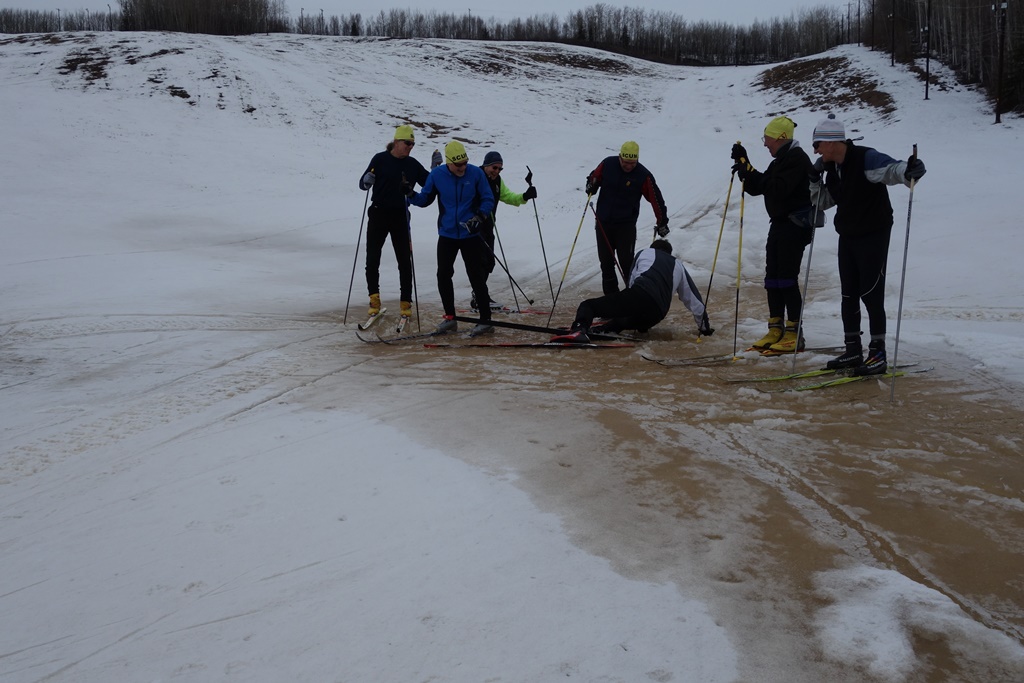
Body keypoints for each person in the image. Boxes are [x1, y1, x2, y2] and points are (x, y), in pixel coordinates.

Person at [809, 114, 927, 376]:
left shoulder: (864, 157)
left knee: (871, 292)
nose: (815, 150)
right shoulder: (833, 170)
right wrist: (814, 179)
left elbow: (892, 170)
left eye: (817, 144)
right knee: (848, 293)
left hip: (873, 233)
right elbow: (824, 203)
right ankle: (853, 349)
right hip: (848, 235)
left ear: (830, 143)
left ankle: (878, 353)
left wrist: (910, 171)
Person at [731, 115, 817, 353]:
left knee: (787, 278)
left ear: (781, 137)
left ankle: (794, 333)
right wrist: (744, 166)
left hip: (795, 225)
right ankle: (775, 327)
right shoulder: (781, 160)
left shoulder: (797, 159)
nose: (765, 143)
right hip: (780, 224)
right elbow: (758, 187)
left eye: (767, 139)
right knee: (773, 278)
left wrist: (750, 170)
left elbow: (777, 189)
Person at [406, 140, 496, 336]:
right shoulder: (438, 175)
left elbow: (488, 198)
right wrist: (410, 193)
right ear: (448, 163)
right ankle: (450, 318)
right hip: (447, 234)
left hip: (469, 233)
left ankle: (486, 320)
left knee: (476, 275)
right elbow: (425, 199)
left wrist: (479, 217)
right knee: (443, 275)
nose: (462, 167)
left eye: (465, 162)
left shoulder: (476, 173)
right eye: (458, 164)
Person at [551, 239, 713, 343]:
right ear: (669, 253)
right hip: (657, 313)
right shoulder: (679, 265)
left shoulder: (645, 252)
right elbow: (695, 301)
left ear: (653, 248)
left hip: (641, 294)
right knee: (619, 323)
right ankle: (599, 331)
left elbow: (632, 282)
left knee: (588, 306)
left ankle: (579, 329)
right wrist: (705, 330)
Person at [357, 124, 429, 321]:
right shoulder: (380, 159)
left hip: (400, 215)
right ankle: (374, 303)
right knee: (372, 260)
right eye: (407, 143)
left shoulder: (413, 164)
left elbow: (430, 184)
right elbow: (363, 185)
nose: (410, 147)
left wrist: (438, 169)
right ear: (396, 142)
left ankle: (406, 305)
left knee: (405, 262)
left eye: (413, 144)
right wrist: (366, 180)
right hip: (378, 214)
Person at [585, 142, 669, 295]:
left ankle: (633, 297)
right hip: (603, 223)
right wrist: (591, 185)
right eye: (625, 162)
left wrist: (662, 221)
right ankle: (612, 301)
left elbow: (656, 198)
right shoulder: (608, 164)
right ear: (620, 157)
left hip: (625, 226)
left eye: (632, 163)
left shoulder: (643, 175)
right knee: (606, 263)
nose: (628, 166)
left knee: (626, 262)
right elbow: (594, 178)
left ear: (637, 160)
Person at [473, 150, 538, 311]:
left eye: (500, 169)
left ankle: (479, 296)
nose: (497, 171)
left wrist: (525, 196)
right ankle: (480, 298)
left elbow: (508, 196)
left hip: (488, 226)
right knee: (480, 261)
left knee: (489, 262)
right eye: (494, 168)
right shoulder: (475, 176)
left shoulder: (497, 181)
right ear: (486, 165)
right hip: (474, 226)